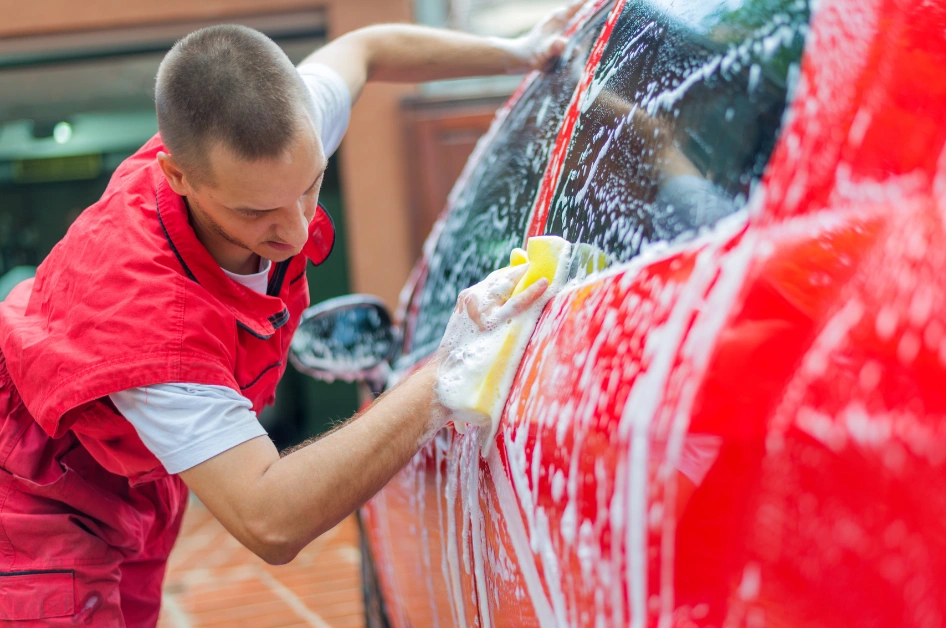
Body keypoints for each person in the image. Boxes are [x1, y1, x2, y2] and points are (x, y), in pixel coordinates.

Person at [0, 4, 581, 625]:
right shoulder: (149, 326)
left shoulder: (276, 136)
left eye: (311, 186)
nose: (298, 228)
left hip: (126, 479)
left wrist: (520, 52)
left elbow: (368, 49)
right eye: (256, 214)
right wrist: (446, 373)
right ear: (178, 175)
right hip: (31, 500)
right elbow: (269, 518)